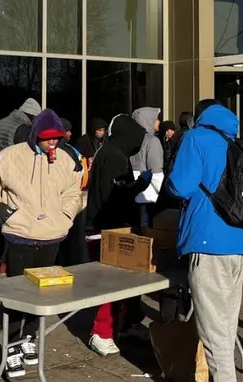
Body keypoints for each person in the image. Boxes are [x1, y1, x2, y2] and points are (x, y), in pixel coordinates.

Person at [0, 109, 83, 378]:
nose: (53, 143)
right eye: (48, 139)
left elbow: (75, 191)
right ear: (36, 136)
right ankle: (11, 346)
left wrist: (67, 214)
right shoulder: (10, 156)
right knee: (18, 293)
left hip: (52, 234)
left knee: (41, 294)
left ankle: (30, 337)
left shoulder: (66, 159)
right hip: (20, 234)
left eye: (57, 138)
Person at [167, 100, 243, 382]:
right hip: (238, 242)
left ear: (200, 116)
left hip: (207, 242)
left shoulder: (196, 138)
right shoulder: (233, 141)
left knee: (213, 336)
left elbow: (181, 185)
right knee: (226, 328)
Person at [84, 114, 148, 357]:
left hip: (112, 227)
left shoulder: (114, 153)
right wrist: (140, 186)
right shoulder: (113, 156)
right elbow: (115, 196)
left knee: (127, 284)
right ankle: (101, 332)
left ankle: (126, 325)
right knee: (111, 286)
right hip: (107, 230)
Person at [0, 98, 42, 276]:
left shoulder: (0, 123)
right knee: (13, 222)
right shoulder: (22, 128)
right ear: (31, 115)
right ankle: (4, 262)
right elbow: (23, 156)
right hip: (13, 178)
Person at [57, 118, 90, 267]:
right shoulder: (69, 150)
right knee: (74, 235)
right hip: (74, 196)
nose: (70, 134)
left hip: (65, 197)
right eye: (67, 131)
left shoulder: (63, 150)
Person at [130, 107, 165, 227]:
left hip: (131, 195)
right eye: (156, 119)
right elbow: (157, 173)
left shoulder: (130, 140)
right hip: (148, 197)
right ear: (148, 120)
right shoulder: (152, 141)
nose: (159, 122)